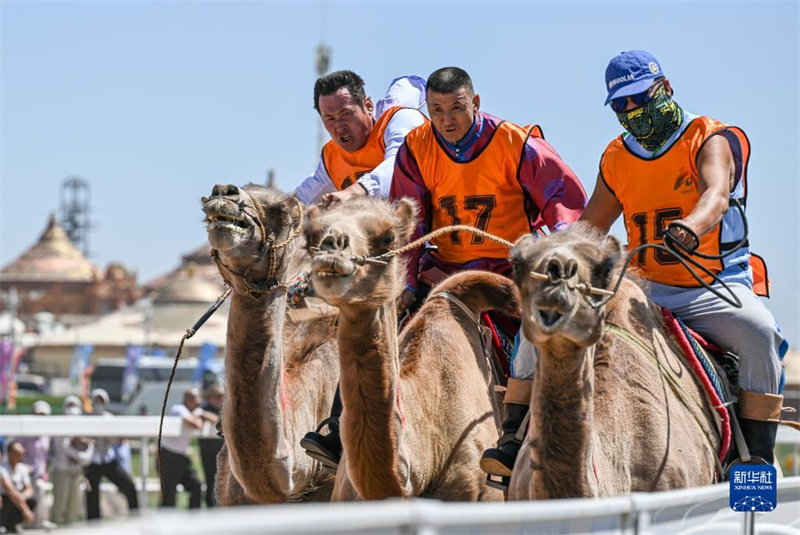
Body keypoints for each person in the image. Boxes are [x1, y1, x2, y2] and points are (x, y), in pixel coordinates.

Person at [305, 67, 588, 476]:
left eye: (456, 108)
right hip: (447, 270)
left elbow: (563, 200)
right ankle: (341, 420)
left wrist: (559, 241)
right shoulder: (416, 148)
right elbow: (411, 221)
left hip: (508, 272)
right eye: (436, 110)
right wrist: (404, 281)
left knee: (544, 327)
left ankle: (514, 434)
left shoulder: (518, 143)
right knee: (379, 308)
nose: (447, 119)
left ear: (476, 102)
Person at [580, 50, 788, 468]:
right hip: (646, 292)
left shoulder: (708, 136)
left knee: (760, 332)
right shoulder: (615, 157)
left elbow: (716, 194)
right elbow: (589, 228)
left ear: (666, 88)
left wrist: (692, 226)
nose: (633, 111)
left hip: (712, 285)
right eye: (622, 105)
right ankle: (518, 435)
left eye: (641, 98)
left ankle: (757, 462)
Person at [293, 71, 427, 207]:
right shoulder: (331, 156)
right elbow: (302, 199)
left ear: (368, 106)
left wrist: (354, 192)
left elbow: (400, 164)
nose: (339, 127)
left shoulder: (400, 120)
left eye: (346, 114)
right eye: (330, 118)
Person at [85, 388, 139, 520]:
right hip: (93, 461)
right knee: (92, 494)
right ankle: (93, 524)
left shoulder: (109, 418)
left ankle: (135, 516)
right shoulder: (86, 418)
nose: (98, 404)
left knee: (129, 486)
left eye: (101, 401)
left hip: (108, 459)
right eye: (96, 401)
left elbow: (120, 438)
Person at [160, 388, 218, 509]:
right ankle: (164, 523)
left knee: (196, 486)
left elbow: (215, 420)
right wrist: (199, 416)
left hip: (181, 456)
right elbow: (195, 424)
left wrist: (202, 414)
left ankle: (193, 521)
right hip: (168, 456)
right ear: (188, 399)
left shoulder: (196, 411)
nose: (200, 400)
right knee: (169, 493)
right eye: (197, 398)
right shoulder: (178, 409)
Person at [51, 396, 93, 526]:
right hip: (61, 470)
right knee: (59, 505)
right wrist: (78, 456)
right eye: (70, 405)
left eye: (75, 406)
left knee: (73, 506)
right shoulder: (59, 426)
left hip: (76, 472)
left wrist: (78, 457)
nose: (72, 409)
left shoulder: (83, 427)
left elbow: (87, 454)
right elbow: (64, 446)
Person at [16, 400, 55, 530]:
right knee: (30, 497)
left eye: (43, 415)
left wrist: (45, 470)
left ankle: (40, 522)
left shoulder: (46, 434)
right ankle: (25, 522)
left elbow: (46, 455)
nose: (41, 418)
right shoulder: (25, 432)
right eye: (38, 414)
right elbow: (17, 449)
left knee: (41, 497)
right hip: (26, 472)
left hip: (40, 472)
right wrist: (23, 466)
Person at [0, 442, 36, 534]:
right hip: (7, 498)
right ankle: (3, 524)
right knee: (7, 501)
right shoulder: (2, 469)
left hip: (18, 496)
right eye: (18, 453)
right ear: (10, 454)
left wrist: (22, 497)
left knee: (32, 501)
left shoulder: (22, 468)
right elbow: (9, 491)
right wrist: (25, 509)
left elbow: (29, 488)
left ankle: (13, 525)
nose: (22, 456)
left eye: (23, 453)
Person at [198, 385, 224, 508]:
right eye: (216, 397)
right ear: (210, 398)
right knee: (210, 479)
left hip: (222, 451)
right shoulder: (203, 409)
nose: (219, 400)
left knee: (222, 480)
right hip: (208, 451)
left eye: (221, 397)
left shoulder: (223, 409)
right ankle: (210, 507)